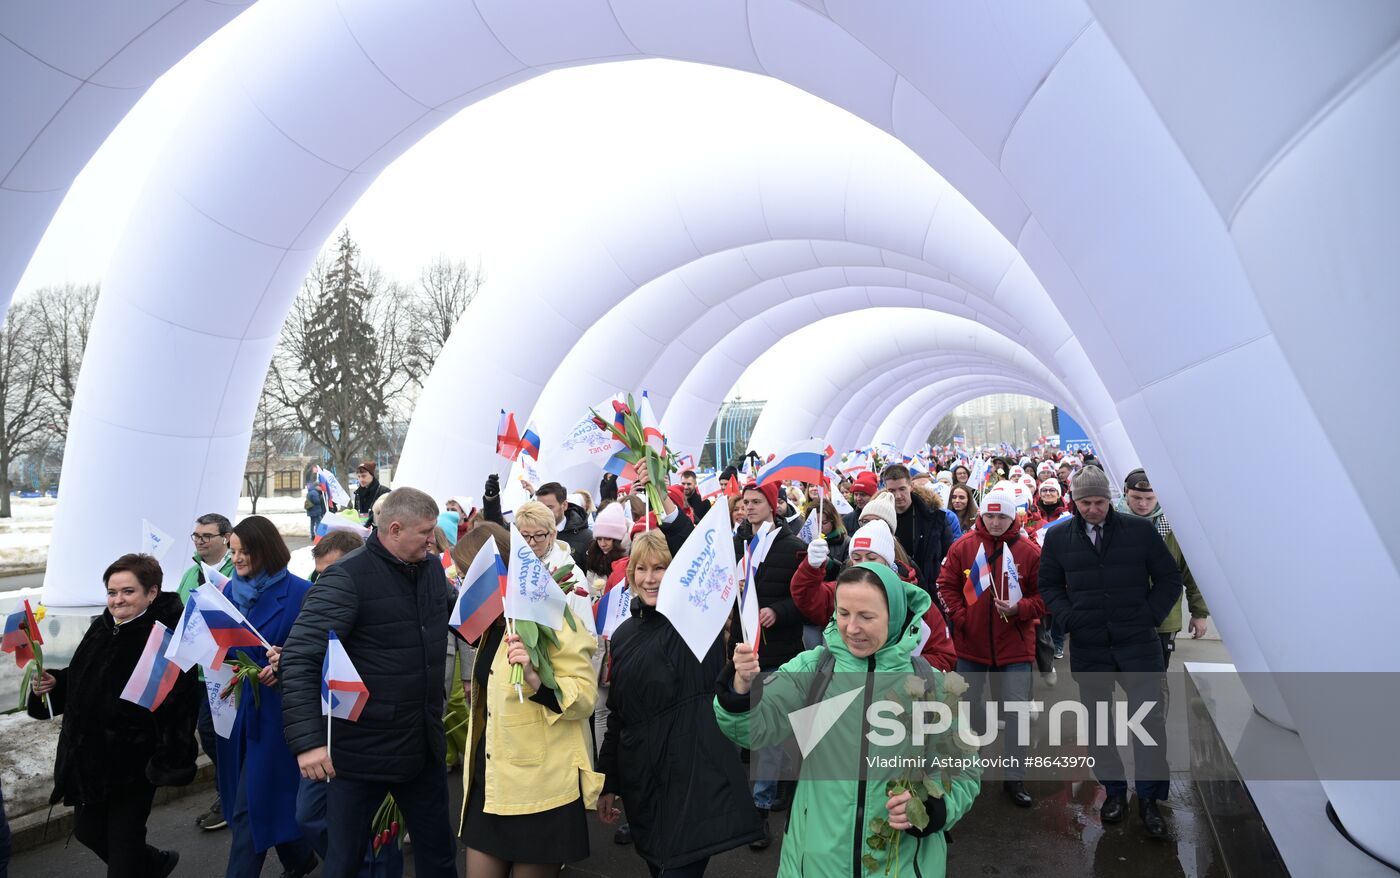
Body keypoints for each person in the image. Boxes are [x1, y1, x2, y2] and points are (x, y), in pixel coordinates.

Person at [716, 563, 981, 877]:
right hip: (816, 864)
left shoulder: (931, 684)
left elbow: (964, 768)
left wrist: (933, 807)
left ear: (895, 616)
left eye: (866, 616)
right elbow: (753, 730)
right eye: (843, 613)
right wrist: (741, 689)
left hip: (903, 866)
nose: (852, 628)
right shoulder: (814, 670)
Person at [280, 488, 459, 878]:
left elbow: (461, 618)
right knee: (345, 861)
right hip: (361, 753)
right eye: (425, 532)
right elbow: (300, 656)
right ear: (394, 529)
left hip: (422, 746)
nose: (433, 540)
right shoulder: (346, 578)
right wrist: (309, 743)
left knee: (439, 854)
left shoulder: (430, 569)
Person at [597, 530, 762, 876]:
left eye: (660, 568)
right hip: (643, 782)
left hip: (692, 781)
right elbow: (618, 715)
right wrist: (609, 782)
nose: (650, 578)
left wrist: (670, 511)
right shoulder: (624, 635)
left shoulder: (696, 622)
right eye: (641, 569)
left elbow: (698, 544)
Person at [28, 553, 198, 877]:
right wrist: (55, 684)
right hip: (90, 761)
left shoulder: (165, 638)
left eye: (128, 591)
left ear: (152, 592)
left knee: (124, 848)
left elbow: (180, 704)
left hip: (133, 764)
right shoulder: (103, 626)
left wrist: (169, 759)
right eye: (112, 592)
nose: (117, 600)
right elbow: (86, 676)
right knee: (88, 831)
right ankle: (155, 863)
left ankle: (141, 865)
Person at [1038, 466, 1183, 839]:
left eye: (1099, 502)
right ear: (1074, 501)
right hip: (1091, 646)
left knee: (1148, 725)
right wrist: (1070, 618)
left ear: (1110, 499)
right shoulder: (1058, 537)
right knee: (1099, 725)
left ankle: (1149, 799)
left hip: (1138, 644)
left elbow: (1169, 578)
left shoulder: (1139, 531)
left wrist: (1149, 615)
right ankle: (1114, 792)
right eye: (1085, 502)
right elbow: (1048, 585)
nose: (1093, 509)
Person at [457, 531, 601, 877]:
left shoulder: (554, 617)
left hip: (541, 790)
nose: (462, 584)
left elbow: (584, 698)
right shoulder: (491, 624)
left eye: (466, 574)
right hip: (490, 783)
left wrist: (537, 678)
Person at [215, 516, 318, 878]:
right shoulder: (228, 593)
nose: (237, 559)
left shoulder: (301, 592)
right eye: (233, 551)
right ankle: (299, 857)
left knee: (249, 806)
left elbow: (319, 650)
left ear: (267, 550)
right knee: (257, 797)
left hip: (277, 714)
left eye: (245, 551)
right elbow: (223, 649)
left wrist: (286, 662)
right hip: (235, 710)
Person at [936, 487, 1045, 807]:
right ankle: (970, 768)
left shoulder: (1029, 551)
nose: (995, 522)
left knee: (1016, 713)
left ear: (1013, 518)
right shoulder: (964, 546)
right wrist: (961, 617)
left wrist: (1020, 609)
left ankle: (1014, 777)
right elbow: (945, 585)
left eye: (1002, 516)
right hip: (971, 646)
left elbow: (1046, 596)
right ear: (981, 515)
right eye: (990, 515)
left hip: (1015, 647)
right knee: (968, 709)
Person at [730, 480, 807, 847]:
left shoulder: (793, 547)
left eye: (756, 501)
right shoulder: (740, 543)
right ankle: (768, 791)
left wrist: (778, 611)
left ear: (773, 506)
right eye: (745, 501)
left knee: (769, 733)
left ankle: (760, 809)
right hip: (745, 650)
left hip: (778, 652)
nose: (749, 507)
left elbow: (805, 599)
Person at [793, 520, 957, 671]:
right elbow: (808, 599)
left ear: (888, 560)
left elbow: (943, 656)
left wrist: (901, 671)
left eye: (872, 558)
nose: (864, 564)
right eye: (857, 558)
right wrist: (811, 567)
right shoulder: (843, 591)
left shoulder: (915, 602)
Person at [1115, 469, 1209, 667]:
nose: (1143, 504)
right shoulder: (1110, 525)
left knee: (1157, 675)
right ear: (1125, 493)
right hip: (1121, 616)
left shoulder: (1176, 527)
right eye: (1136, 497)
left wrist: (1199, 613)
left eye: (1149, 498)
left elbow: (1192, 573)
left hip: (1163, 619)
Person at [176, 512, 234, 833]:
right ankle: (230, 791)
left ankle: (231, 796)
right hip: (195, 670)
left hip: (224, 668)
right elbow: (179, 613)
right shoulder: (190, 574)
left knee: (215, 734)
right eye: (196, 536)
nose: (199, 541)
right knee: (210, 735)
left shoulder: (234, 571)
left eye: (206, 536)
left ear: (226, 538)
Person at [881, 463, 954, 591]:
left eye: (902, 489)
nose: (898, 495)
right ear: (886, 490)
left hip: (930, 588)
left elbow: (949, 557)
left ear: (911, 486)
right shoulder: (879, 518)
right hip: (893, 587)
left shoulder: (935, 517)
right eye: (892, 490)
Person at [535, 481, 593, 568]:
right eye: (540, 508)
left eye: (549, 507)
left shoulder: (586, 537)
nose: (543, 512)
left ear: (564, 505)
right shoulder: (528, 534)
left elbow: (590, 572)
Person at [584, 503, 629, 585]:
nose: (602, 544)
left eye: (608, 539)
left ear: (617, 540)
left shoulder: (627, 559)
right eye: (599, 539)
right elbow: (589, 584)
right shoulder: (594, 555)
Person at [352, 461, 392, 528]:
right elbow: (356, 514)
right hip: (362, 530)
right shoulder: (358, 494)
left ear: (372, 475)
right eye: (358, 477)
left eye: (364, 476)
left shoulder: (384, 492)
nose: (361, 479)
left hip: (379, 530)